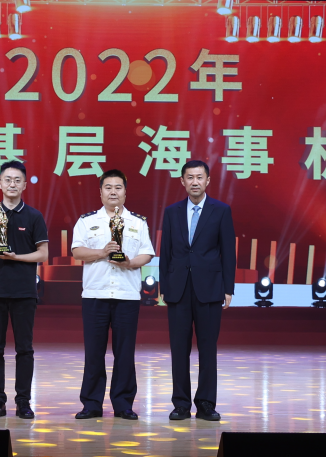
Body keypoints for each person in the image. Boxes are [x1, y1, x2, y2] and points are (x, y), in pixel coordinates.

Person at [71, 169, 154, 420]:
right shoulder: (86, 221)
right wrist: (102, 252)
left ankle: (123, 404)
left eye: (118, 187)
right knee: (94, 352)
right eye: (108, 187)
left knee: (125, 353)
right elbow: (77, 251)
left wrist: (129, 263)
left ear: (125, 192)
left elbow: (147, 253)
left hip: (127, 295)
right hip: (95, 295)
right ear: (100, 192)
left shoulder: (137, 222)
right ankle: (91, 403)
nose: (113, 192)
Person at [158, 160, 235, 421]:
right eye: (189, 177)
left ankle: (205, 404)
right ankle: (181, 404)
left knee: (207, 348)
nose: (194, 182)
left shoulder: (221, 210)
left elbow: (228, 252)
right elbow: (166, 252)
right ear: (182, 181)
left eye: (199, 177)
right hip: (178, 289)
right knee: (179, 349)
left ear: (208, 180)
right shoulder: (172, 212)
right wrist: (164, 286)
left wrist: (228, 288)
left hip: (210, 288)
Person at [0, 160, 49, 419]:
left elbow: (43, 253)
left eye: (17, 180)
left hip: (24, 292)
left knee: (24, 349)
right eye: (8, 179)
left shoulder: (34, 216)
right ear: (0, 183)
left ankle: (23, 402)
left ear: (25, 185)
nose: (12, 184)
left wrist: (16, 257)